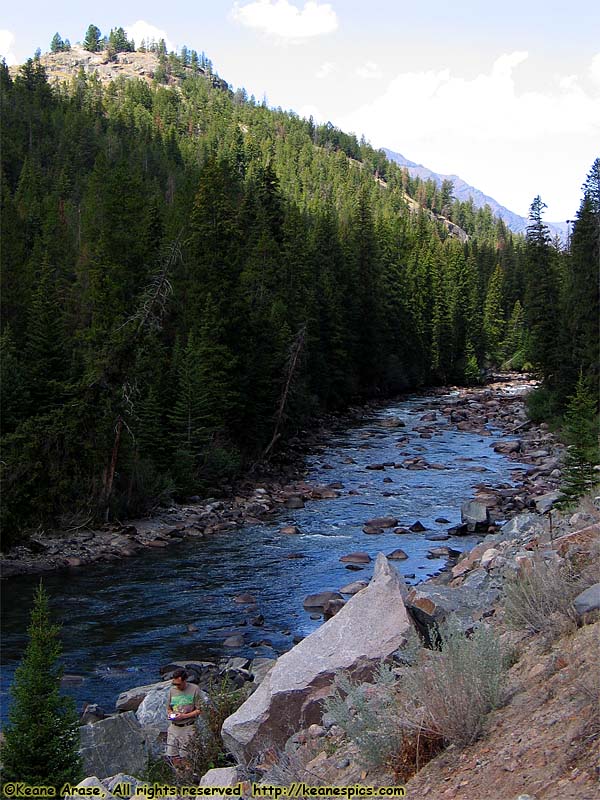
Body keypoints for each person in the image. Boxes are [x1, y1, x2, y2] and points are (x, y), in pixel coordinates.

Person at [166, 668, 204, 769]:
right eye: (175, 684)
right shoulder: (172, 691)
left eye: (179, 684)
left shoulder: (194, 689)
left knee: (186, 757)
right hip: (174, 728)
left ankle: (188, 776)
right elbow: (168, 708)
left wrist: (184, 716)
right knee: (173, 755)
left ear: (184, 680)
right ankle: (179, 775)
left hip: (188, 728)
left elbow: (200, 710)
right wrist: (170, 714)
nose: (176, 686)